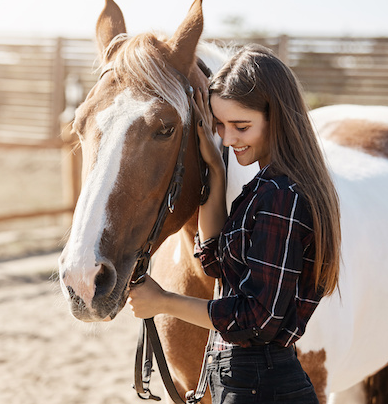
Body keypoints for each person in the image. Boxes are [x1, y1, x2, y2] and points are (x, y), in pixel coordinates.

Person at [127, 43, 341, 403]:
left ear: (278, 117)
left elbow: (257, 320)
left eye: (241, 126)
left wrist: (163, 301)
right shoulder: (263, 188)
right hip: (249, 381)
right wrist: (215, 170)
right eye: (220, 125)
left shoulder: (279, 196)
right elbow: (214, 261)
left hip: (262, 387)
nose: (227, 139)